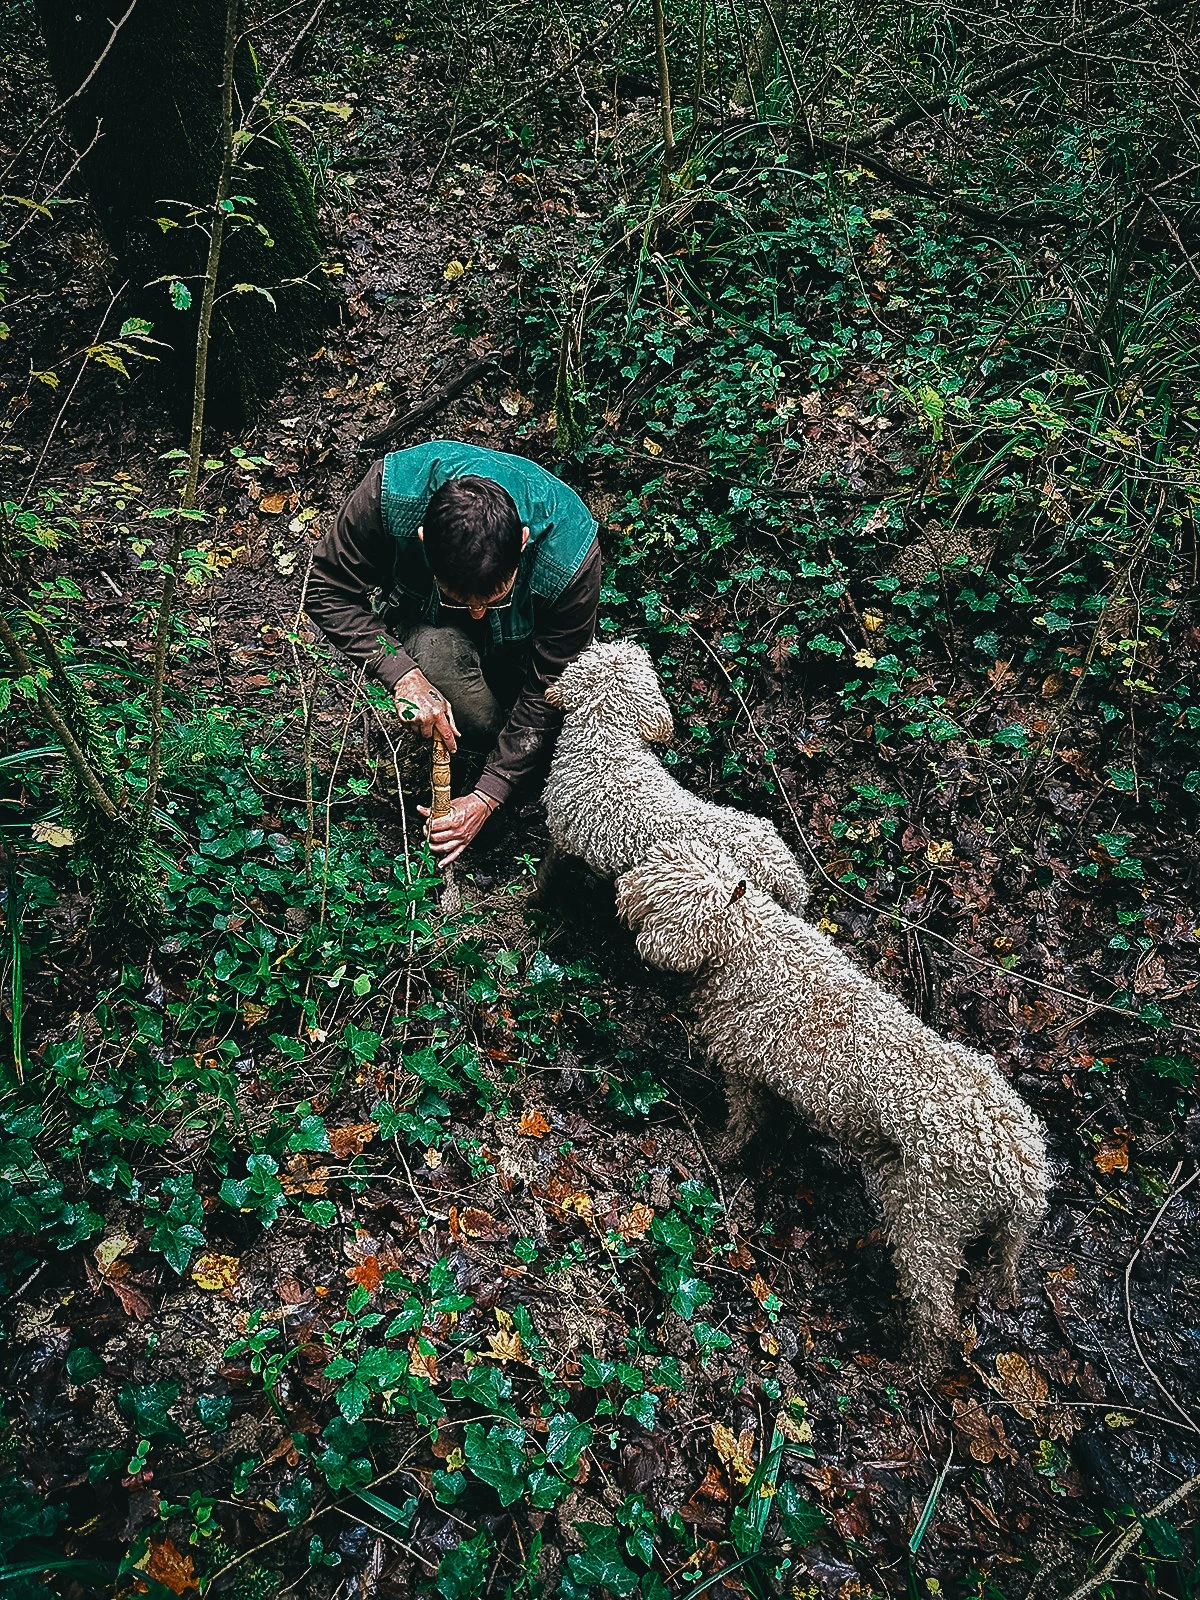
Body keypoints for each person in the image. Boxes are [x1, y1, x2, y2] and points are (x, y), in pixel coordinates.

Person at [307, 440, 601, 865]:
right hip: (433, 630)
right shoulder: (389, 496)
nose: (479, 613)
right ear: (423, 541)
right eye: (459, 598)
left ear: (522, 541)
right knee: (443, 667)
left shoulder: (570, 555)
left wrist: (488, 795)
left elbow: (554, 681)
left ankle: (509, 759)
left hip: (524, 654)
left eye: (493, 598)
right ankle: (482, 735)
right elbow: (328, 589)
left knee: (562, 720)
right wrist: (402, 674)